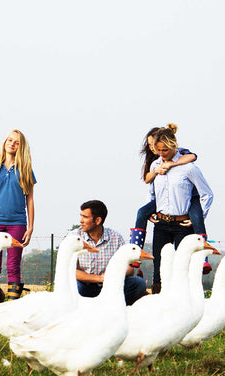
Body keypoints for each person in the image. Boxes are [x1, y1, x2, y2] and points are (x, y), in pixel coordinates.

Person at [130, 124, 212, 274]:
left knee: (183, 269)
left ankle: (203, 257)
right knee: (159, 271)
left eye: (165, 150)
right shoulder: (155, 164)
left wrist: (200, 215)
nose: (161, 153)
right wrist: (151, 210)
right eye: (158, 150)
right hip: (161, 224)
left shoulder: (189, 167)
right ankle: (135, 253)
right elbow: (151, 189)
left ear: (174, 146)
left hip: (183, 224)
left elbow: (207, 194)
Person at [0, 129, 36, 301]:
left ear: (21, 147)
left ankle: (12, 304)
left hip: (17, 222)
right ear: (4, 142)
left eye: (16, 142)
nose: (12, 143)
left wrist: (31, 227)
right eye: (9, 140)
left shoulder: (25, 170)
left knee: (13, 264)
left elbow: (30, 200)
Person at [75, 200, 147, 306]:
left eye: (85, 217)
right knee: (75, 287)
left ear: (98, 220)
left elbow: (130, 269)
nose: (81, 221)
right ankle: (83, 310)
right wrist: (99, 278)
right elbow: (71, 270)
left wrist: (111, 276)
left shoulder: (116, 237)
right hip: (86, 286)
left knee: (138, 284)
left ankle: (117, 307)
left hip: (112, 286)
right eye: (81, 216)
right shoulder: (74, 237)